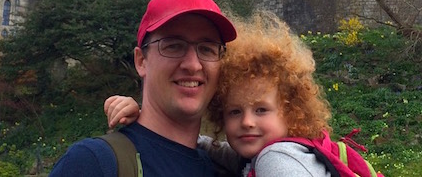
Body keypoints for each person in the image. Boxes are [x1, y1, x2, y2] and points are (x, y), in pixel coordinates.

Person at [106, 13, 334, 176]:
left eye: (261, 110)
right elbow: (209, 147)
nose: (247, 122)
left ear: (291, 112)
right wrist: (145, 115)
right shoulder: (257, 154)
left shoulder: (275, 159)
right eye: (234, 111)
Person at [50, 0, 237, 177]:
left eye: (207, 49)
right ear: (141, 61)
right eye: (173, 46)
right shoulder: (93, 163)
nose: (193, 65)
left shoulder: (229, 169)